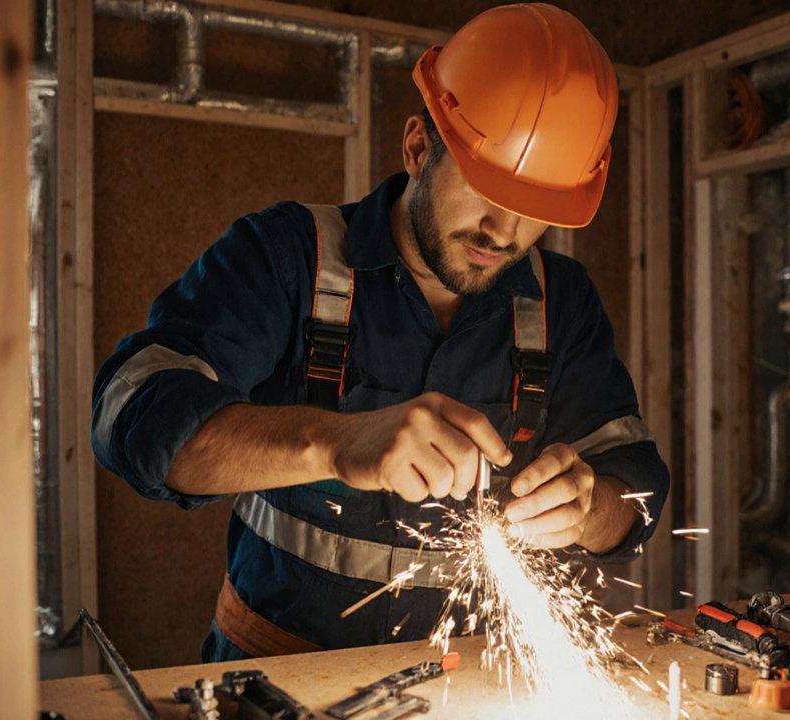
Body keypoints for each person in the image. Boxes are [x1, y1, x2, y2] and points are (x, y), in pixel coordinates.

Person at [91, 3, 669, 662]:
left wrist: (590, 506)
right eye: (483, 191)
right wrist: (332, 444)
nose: (503, 234)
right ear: (419, 147)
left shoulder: (560, 301)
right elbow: (124, 413)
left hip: (469, 691)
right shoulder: (287, 256)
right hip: (280, 681)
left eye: (533, 213)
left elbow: (639, 491)